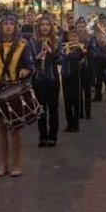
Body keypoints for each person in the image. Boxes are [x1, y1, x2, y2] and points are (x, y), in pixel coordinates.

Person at [0, 14, 34, 177]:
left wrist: (26, 70)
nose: (7, 27)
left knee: (15, 129)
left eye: (11, 24)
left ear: (15, 27)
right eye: (5, 24)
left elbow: (30, 65)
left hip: (15, 88)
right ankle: (3, 164)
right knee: (2, 129)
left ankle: (16, 164)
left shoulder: (22, 44)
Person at [31, 13, 61, 147]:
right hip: (38, 79)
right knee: (40, 109)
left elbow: (59, 59)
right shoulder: (33, 42)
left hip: (52, 79)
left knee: (53, 109)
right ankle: (42, 136)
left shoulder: (57, 41)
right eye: (42, 25)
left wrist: (51, 51)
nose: (44, 27)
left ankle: (52, 136)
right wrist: (36, 58)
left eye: (47, 25)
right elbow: (29, 61)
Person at [60, 27, 84, 134]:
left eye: (75, 36)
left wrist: (68, 51)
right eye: (71, 36)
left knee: (75, 100)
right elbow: (60, 58)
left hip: (75, 77)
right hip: (65, 76)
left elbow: (75, 57)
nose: (73, 39)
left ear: (78, 38)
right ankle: (69, 124)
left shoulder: (79, 49)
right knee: (67, 101)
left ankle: (76, 124)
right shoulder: (64, 47)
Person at [90, 14, 106, 102]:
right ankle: (98, 95)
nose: (103, 22)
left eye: (104, 20)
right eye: (101, 21)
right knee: (98, 77)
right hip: (98, 57)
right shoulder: (95, 32)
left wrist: (105, 36)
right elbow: (93, 44)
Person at [75, 17, 94, 120]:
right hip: (76, 67)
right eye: (79, 26)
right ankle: (80, 112)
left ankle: (88, 113)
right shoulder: (73, 37)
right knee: (78, 91)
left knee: (87, 91)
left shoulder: (90, 38)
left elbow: (93, 52)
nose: (81, 28)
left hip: (87, 66)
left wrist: (87, 52)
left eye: (82, 26)